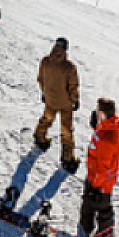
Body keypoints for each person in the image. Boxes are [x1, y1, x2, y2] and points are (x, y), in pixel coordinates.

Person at [79, 97, 119, 237]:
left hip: (101, 181)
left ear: (103, 113)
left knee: (101, 206)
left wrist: (96, 186)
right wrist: (96, 127)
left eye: (98, 111)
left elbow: (104, 166)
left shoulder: (108, 137)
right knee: (88, 202)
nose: (95, 113)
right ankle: (86, 226)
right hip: (94, 175)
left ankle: (105, 236)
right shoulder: (106, 127)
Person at [34, 37, 81, 172]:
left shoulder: (45, 61)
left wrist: (45, 93)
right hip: (64, 103)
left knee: (47, 118)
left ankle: (40, 137)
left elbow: (40, 79)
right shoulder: (68, 67)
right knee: (66, 130)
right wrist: (75, 100)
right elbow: (73, 86)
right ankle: (67, 158)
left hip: (50, 99)